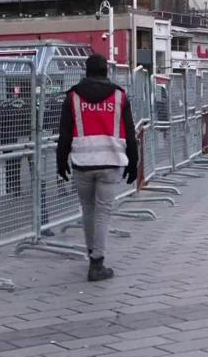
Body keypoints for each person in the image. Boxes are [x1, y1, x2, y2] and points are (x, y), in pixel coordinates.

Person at [56, 54, 139, 282]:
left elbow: (63, 135)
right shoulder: (119, 96)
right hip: (111, 162)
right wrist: (134, 163)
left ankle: (91, 253)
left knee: (88, 210)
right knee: (104, 212)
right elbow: (130, 134)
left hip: (82, 163)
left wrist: (61, 161)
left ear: (86, 71)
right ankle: (97, 262)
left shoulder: (72, 97)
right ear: (106, 72)